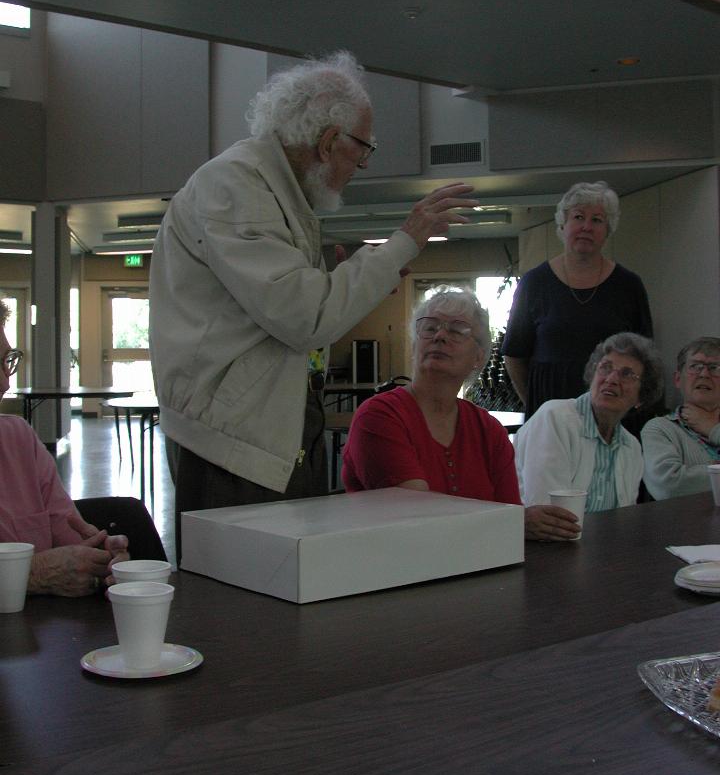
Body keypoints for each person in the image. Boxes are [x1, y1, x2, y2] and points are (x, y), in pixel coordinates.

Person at [149, 52, 474, 561]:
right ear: (329, 142)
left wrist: (351, 281)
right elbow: (305, 318)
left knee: (274, 597)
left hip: (254, 432)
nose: (361, 166)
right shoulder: (236, 184)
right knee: (246, 602)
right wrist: (404, 241)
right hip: (231, 443)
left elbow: (287, 313)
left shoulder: (273, 188)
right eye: (363, 150)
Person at [341, 287, 577, 540]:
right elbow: (415, 518)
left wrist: (515, 522)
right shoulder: (379, 416)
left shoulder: (489, 430)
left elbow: (508, 514)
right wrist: (512, 522)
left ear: (478, 357)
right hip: (391, 570)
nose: (440, 335)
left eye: (456, 330)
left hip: (480, 568)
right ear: (413, 345)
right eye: (429, 328)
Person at [0, 301, 129, 596]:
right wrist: (34, 573)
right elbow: (50, 568)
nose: (4, 382)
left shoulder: (19, 440)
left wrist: (100, 558)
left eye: (5, 360)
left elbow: (71, 541)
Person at [502, 181, 653, 419]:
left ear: (608, 229)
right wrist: (537, 407)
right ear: (563, 224)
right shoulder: (534, 282)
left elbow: (644, 358)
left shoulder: (629, 285)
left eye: (597, 220)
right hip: (550, 411)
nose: (586, 227)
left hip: (613, 414)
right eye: (578, 217)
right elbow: (514, 354)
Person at [515, 332, 664, 538]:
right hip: (545, 551)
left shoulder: (631, 447)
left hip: (603, 554)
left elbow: (624, 520)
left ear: (642, 396)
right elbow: (550, 518)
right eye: (605, 367)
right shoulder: (555, 419)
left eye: (627, 374)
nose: (612, 379)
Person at [641, 337, 720, 500]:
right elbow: (668, 486)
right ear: (678, 379)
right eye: (695, 367)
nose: (704, 374)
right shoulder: (659, 428)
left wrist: (714, 430)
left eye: (715, 368)